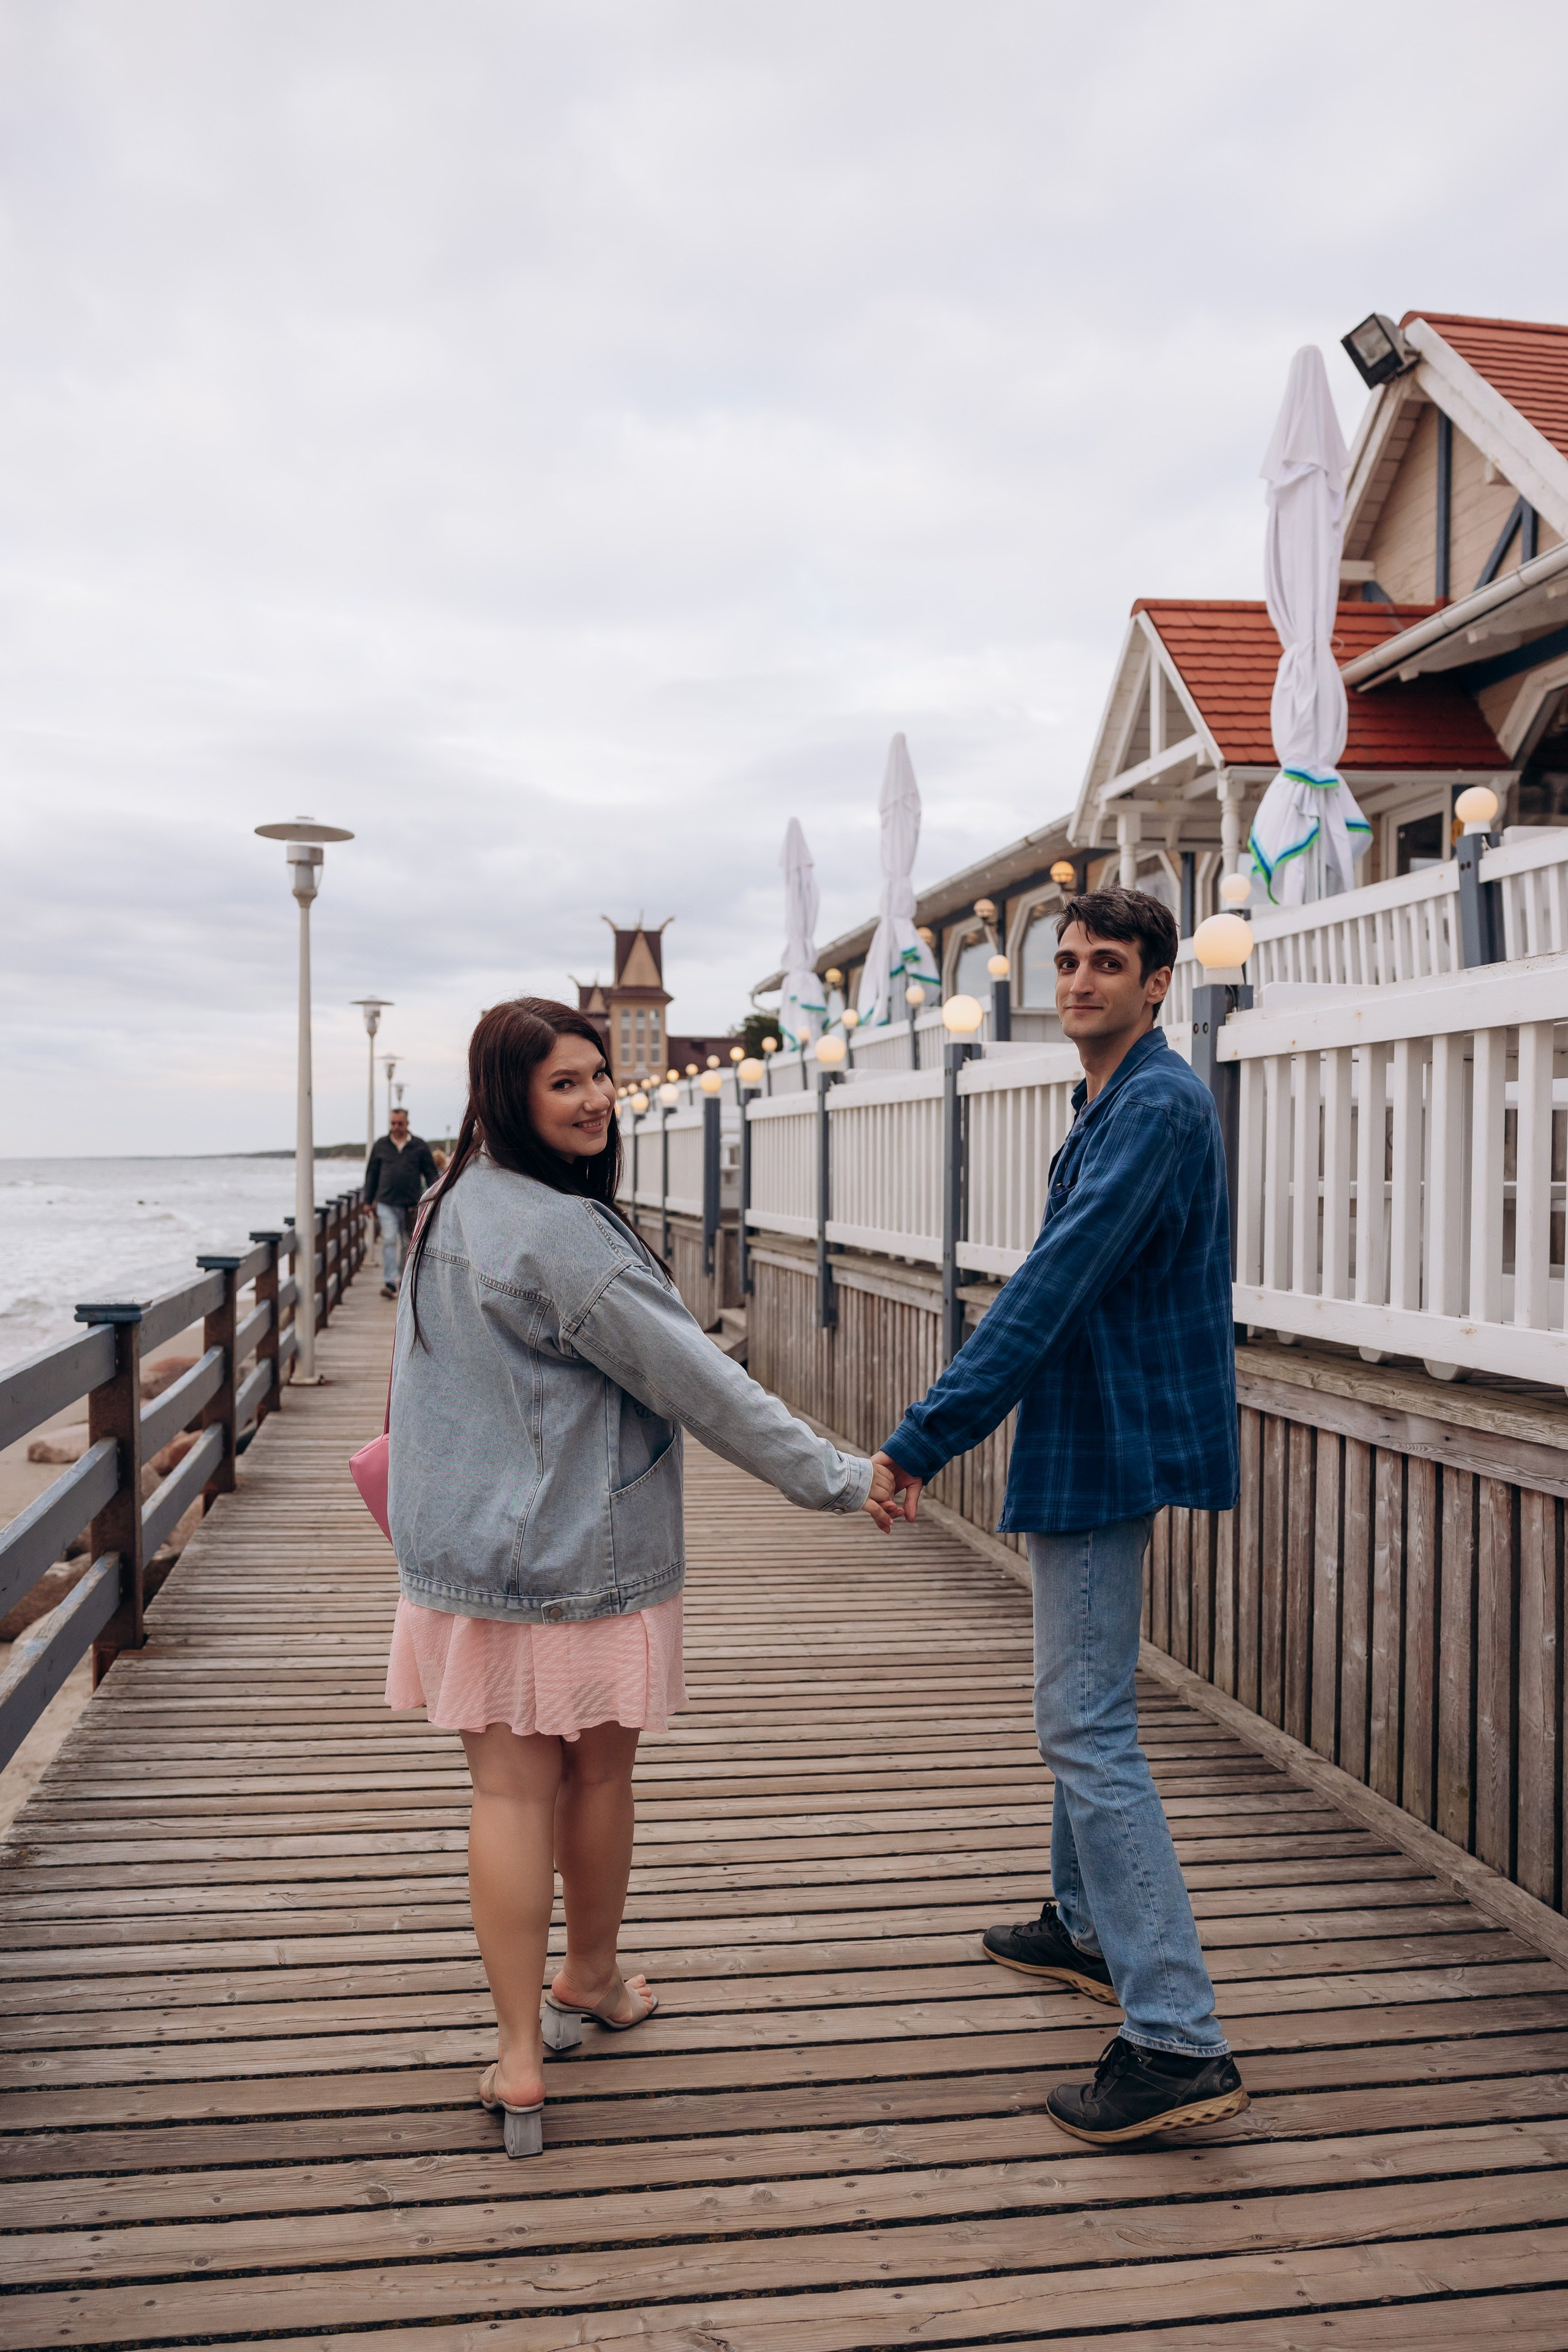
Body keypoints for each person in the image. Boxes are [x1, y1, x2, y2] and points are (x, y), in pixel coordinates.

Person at [383, 996, 897, 2158]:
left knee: (507, 1794)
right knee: (594, 1779)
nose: (596, 1100)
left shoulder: (448, 1203)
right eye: (564, 1083)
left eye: (599, 1078)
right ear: (509, 1096)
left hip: (463, 1557)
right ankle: (591, 1978)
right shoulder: (563, 1236)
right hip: (579, 1552)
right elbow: (698, 1383)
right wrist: (837, 1476)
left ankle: (518, 2060)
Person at [874, 889, 1246, 2146]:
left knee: (1082, 1724)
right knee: (1080, 1704)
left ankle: (1174, 2039)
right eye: (1068, 961)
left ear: (1156, 985)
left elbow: (1049, 1286)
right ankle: (1085, 1927)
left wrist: (923, 1435)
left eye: (1107, 964)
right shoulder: (1109, 1097)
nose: (1078, 979)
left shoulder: (1151, 1106)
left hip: (1107, 1429)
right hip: (1087, 1420)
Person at [364, 1106, 439, 1297]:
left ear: (407, 1124)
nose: (396, 1127)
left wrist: (436, 1197)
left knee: (407, 1244)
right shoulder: (381, 1145)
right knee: (389, 1240)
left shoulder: (419, 1146)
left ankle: (404, 1282)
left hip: (412, 1206)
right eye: (393, 1123)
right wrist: (367, 1200)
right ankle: (389, 1283)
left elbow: (431, 1173)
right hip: (386, 1203)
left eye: (400, 1123)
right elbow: (372, 1174)